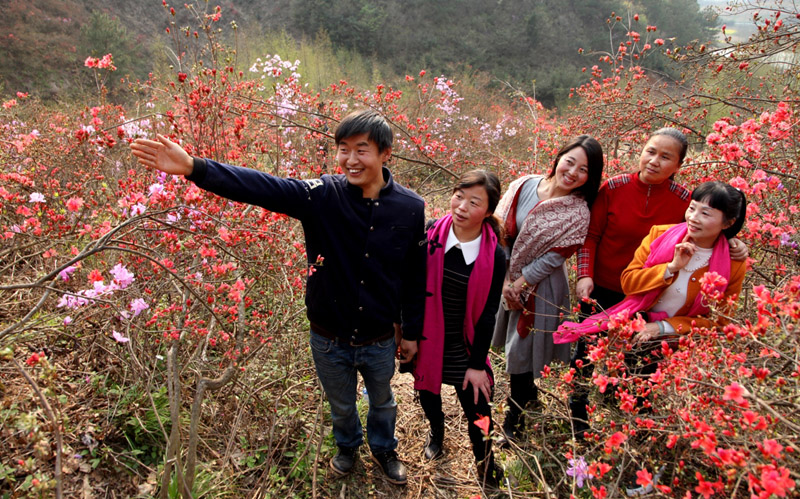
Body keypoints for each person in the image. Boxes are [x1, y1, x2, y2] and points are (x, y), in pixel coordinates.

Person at [131, 110, 425, 486]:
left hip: (380, 336)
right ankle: (347, 446)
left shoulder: (411, 207)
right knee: (341, 404)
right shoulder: (323, 196)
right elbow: (262, 186)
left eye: (361, 150)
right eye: (343, 149)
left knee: (382, 400)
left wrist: (411, 330)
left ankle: (384, 448)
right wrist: (195, 168)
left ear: (385, 153)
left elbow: (414, 276)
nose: (351, 160)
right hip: (328, 336)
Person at [568, 128, 748, 437]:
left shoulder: (683, 200)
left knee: (630, 369)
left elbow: (708, 230)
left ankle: (615, 422)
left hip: (652, 300)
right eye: (650, 151)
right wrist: (585, 274)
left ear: (678, 166)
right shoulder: (614, 188)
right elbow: (592, 234)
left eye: (665, 157)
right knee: (585, 356)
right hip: (608, 287)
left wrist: (734, 244)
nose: (654, 161)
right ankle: (577, 423)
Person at [556, 181, 748, 392]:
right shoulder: (660, 235)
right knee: (615, 391)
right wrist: (671, 267)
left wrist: (663, 327)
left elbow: (719, 322)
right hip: (630, 330)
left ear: (728, 223)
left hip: (672, 349)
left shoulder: (733, 265)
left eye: (706, 213)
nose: (693, 218)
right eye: (692, 208)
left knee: (644, 400)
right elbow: (629, 282)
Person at [491, 135, 604, 442]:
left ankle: (515, 414)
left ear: (589, 178)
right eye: (570, 161)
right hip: (504, 274)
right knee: (514, 349)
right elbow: (498, 231)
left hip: (541, 286)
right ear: (559, 158)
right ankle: (527, 398)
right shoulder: (523, 185)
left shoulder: (578, 211)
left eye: (584, 170)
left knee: (521, 350)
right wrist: (503, 282)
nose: (573, 172)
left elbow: (555, 258)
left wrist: (519, 284)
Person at [406, 170, 506, 486]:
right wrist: (406, 333)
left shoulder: (495, 256)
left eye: (474, 201)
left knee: (479, 411)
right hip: (427, 338)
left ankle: (486, 462)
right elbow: (408, 286)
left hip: (465, 344)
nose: (461, 206)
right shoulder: (429, 235)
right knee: (428, 394)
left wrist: (477, 364)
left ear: (488, 212)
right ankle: (437, 431)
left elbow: (489, 312)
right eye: (459, 196)